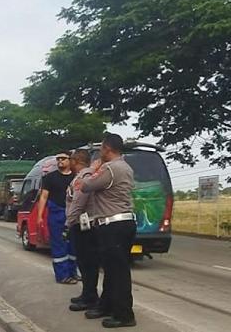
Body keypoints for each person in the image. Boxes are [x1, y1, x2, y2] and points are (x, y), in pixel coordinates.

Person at [81, 133, 137, 328]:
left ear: (108, 149)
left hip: (114, 225)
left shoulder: (111, 168)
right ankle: (107, 305)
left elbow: (85, 186)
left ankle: (124, 315)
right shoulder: (125, 166)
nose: (99, 152)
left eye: (101, 148)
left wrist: (91, 169)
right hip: (121, 224)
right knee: (112, 270)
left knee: (119, 272)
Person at [66, 149, 100, 311]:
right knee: (84, 263)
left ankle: (90, 297)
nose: (69, 162)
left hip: (83, 226)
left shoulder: (84, 177)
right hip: (81, 224)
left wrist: (69, 223)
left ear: (77, 160)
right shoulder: (83, 176)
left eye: (71, 159)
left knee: (87, 263)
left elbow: (78, 203)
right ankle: (87, 294)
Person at [37, 150, 77, 284]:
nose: (60, 161)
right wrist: (39, 216)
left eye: (63, 159)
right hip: (56, 215)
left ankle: (73, 272)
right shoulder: (50, 178)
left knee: (73, 245)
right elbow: (43, 197)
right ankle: (62, 275)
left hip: (73, 215)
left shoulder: (76, 177)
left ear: (70, 160)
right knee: (59, 245)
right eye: (58, 159)